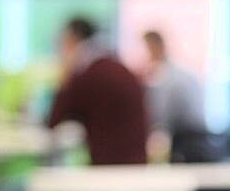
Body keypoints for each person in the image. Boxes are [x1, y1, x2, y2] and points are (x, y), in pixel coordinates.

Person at [46, 17, 148, 165]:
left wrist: (65, 74)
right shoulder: (116, 67)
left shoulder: (87, 75)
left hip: (109, 169)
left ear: (74, 39)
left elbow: (54, 120)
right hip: (134, 164)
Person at [141, 30, 215, 163]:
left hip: (187, 140)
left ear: (156, 47)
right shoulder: (181, 72)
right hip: (199, 136)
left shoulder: (168, 77)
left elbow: (161, 114)